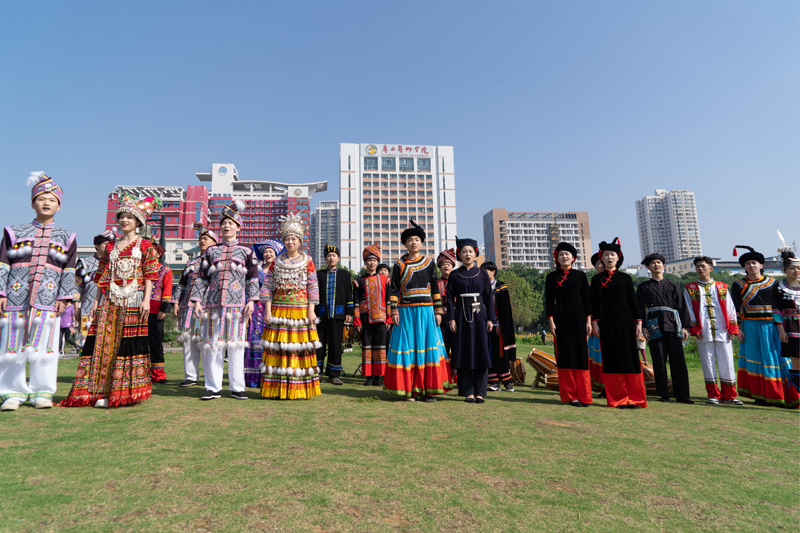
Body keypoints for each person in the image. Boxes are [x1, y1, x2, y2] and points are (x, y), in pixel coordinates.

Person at [61, 194, 161, 408]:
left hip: (134, 299)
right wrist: (96, 300)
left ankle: (122, 392)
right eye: (122, 217)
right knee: (104, 343)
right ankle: (100, 391)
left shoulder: (146, 245)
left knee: (128, 343)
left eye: (129, 217)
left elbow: (151, 274)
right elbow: (102, 276)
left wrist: (146, 300)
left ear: (138, 222)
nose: (124, 220)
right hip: (110, 299)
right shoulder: (110, 248)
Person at [0, 173, 77, 411]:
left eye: (51, 199)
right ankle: (11, 393)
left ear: (59, 205)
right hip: (14, 300)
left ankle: (42, 392)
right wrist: (1, 293)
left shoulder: (67, 237)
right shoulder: (13, 232)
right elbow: (2, 264)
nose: (46, 203)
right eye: (41, 198)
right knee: (10, 347)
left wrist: (65, 298)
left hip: (48, 300)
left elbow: (69, 269)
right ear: (32, 202)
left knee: (46, 348)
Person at [192, 200, 259, 401]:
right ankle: (212, 387)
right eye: (223, 223)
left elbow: (253, 278)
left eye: (230, 223)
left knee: (236, 345)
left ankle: (237, 387)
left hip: (237, 306)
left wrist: (252, 301)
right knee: (213, 345)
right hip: (212, 306)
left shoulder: (247, 251)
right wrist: (197, 301)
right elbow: (202, 278)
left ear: (238, 227)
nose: (226, 226)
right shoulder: (211, 252)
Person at [385, 220, 451, 402]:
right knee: (409, 348)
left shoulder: (430, 264)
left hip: (427, 311)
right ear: (405, 244)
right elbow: (393, 289)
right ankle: (409, 389)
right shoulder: (398, 264)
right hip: (406, 311)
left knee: (427, 346)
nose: (413, 242)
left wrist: (438, 311)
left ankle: (428, 389)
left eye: (417, 239)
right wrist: (394, 310)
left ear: (421, 243)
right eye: (410, 240)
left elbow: (435, 290)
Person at [259, 213, 321, 400]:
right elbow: (268, 287)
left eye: (293, 238)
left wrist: (311, 309)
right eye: (287, 238)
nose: (290, 241)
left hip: (300, 310)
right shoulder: (276, 262)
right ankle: (277, 389)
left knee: (298, 349)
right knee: (278, 349)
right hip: (278, 310)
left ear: (299, 240)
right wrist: (268, 310)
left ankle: (299, 389)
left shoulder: (308, 261)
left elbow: (312, 285)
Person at [732, 245, 798, 408]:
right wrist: (738, 328)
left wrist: (782, 326)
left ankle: (781, 393)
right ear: (744, 267)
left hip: (772, 326)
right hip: (749, 326)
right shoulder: (738, 285)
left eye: (754, 263)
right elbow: (735, 308)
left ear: (761, 265)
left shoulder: (774, 283)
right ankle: (760, 395)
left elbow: (780, 307)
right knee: (754, 359)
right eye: (748, 264)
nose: (751, 266)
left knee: (776, 358)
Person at [590, 238, 647, 409]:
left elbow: (633, 301)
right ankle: (618, 398)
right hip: (606, 322)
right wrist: (594, 323)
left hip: (626, 321)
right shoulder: (596, 279)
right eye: (606, 255)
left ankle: (635, 397)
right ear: (602, 257)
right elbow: (594, 303)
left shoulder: (626, 278)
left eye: (612, 255)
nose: (609, 258)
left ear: (618, 257)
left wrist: (638, 323)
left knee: (630, 357)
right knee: (612, 358)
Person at [636, 253, 693, 404]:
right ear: (648, 267)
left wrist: (685, 327)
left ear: (664, 265)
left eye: (659, 263)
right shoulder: (643, 287)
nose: (656, 265)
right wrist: (643, 327)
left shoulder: (673, 285)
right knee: (659, 361)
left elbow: (682, 306)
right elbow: (640, 309)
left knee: (678, 361)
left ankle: (683, 395)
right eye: (653, 263)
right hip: (654, 326)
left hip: (674, 325)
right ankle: (664, 394)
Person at [684, 256, 742, 405]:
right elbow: (688, 310)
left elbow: (730, 307)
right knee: (707, 362)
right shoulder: (690, 288)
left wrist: (733, 328)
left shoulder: (722, 287)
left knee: (727, 361)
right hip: (703, 330)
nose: (700, 269)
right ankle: (713, 395)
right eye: (697, 266)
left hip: (723, 329)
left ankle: (730, 395)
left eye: (703, 266)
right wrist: (694, 327)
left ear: (710, 268)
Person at [544, 242, 592, 407]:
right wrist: (551, 321)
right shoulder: (551, 277)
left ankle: (584, 396)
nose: (564, 257)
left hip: (578, 318)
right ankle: (571, 396)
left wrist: (588, 321)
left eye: (567, 254)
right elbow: (549, 301)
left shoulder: (580, 276)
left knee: (580, 356)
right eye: (561, 254)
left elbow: (586, 300)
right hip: (560, 319)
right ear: (557, 258)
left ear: (573, 258)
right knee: (564, 356)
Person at [446, 238, 494, 404]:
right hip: (460, 316)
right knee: (463, 351)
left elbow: (488, 297)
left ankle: (480, 391)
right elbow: (449, 300)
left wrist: (491, 319)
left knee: (481, 351)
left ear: (475, 253)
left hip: (480, 315)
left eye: (470, 251)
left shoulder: (482, 274)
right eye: (464, 251)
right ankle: (468, 391)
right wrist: (451, 318)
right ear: (459, 254)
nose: (467, 254)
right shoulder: (454, 274)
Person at [173, 222, 217, 387]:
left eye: (206, 238)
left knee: (207, 341)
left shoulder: (216, 262)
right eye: (200, 238)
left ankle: (209, 376)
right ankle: (190, 376)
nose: (202, 241)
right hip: (188, 307)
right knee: (188, 341)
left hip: (208, 307)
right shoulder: (191, 263)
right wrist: (176, 303)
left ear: (214, 241)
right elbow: (182, 285)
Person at [244, 239, 284, 388]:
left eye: (271, 251)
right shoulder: (256, 269)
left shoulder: (280, 270)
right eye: (266, 251)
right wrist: (248, 311)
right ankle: (253, 377)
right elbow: (249, 289)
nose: (268, 254)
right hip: (257, 310)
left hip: (275, 308)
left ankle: (271, 377)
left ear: (276, 254)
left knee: (272, 343)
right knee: (255, 343)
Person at [353, 243, 393, 386]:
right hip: (364, 317)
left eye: (375, 260)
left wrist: (389, 318)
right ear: (365, 262)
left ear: (377, 262)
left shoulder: (386, 280)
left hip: (381, 318)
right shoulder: (358, 281)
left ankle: (378, 377)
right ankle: (368, 376)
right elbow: (356, 302)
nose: (372, 263)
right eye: (369, 260)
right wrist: (356, 321)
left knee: (381, 346)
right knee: (367, 346)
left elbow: (389, 300)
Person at [315, 245, 354, 385]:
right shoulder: (318, 274)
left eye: (334, 255)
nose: (331, 258)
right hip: (320, 314)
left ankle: (334, 374)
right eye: (329, 255)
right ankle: (317, 373)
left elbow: (349, 293)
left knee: (336, 344)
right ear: (325, 258)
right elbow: (314, 295)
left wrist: (349, 312)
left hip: (338, 313)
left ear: (338, 258)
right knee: (318, 344)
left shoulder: (345, 274)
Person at [480, 261, 517, 392]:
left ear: (493, 271)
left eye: (485, 271)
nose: (483, 273)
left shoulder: (500, 286)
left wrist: (499, 324)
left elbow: (505, 308)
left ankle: (507, 381)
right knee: (488, 353)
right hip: (484, 325)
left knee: (501, 353)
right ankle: (494, 382)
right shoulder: (480, 287)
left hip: (498, 325)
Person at [75, 231, 116, 349]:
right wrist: (76, 308)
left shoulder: (117, 263)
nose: (109, 247)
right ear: (96, 246)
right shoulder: (84, 263)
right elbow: (76, 286)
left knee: (108, 346)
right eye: (106, 244)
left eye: (112, 244)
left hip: (111, 309)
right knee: (86, 344)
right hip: (88, 310)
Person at [773, 250, 800, 393]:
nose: (796, 271)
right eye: (792, 268)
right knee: (796, 361)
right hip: (791, 327)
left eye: (798, 268)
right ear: (784, 270)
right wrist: (781, 330)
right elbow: (776, 310)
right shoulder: (778, 288)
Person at [148, 241, 173, 383]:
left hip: (156, 310)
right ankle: (141, 373)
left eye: (150, 250)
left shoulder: (165, 270)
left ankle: (158, 374)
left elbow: (167, 291)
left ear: (158, 254)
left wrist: (163, 309)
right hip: (138, 309)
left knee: (155, 342)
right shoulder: (141, 269)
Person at [436, 248, 457, 381]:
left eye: (448, 264)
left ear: (453, 266)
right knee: (442, 346)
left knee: (456, 347)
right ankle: (443, 374)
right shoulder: (435, 283)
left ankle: (456, 374)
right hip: (440, 319)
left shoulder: (458, 281)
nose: (446, 266)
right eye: (443, 264)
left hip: (456, 319)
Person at [588, 253, 605, 397]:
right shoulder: (592, 283)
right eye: (599, 263)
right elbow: (590, 306)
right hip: (597, 325)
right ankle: (602, 386)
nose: (602, 265)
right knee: (598, 356)